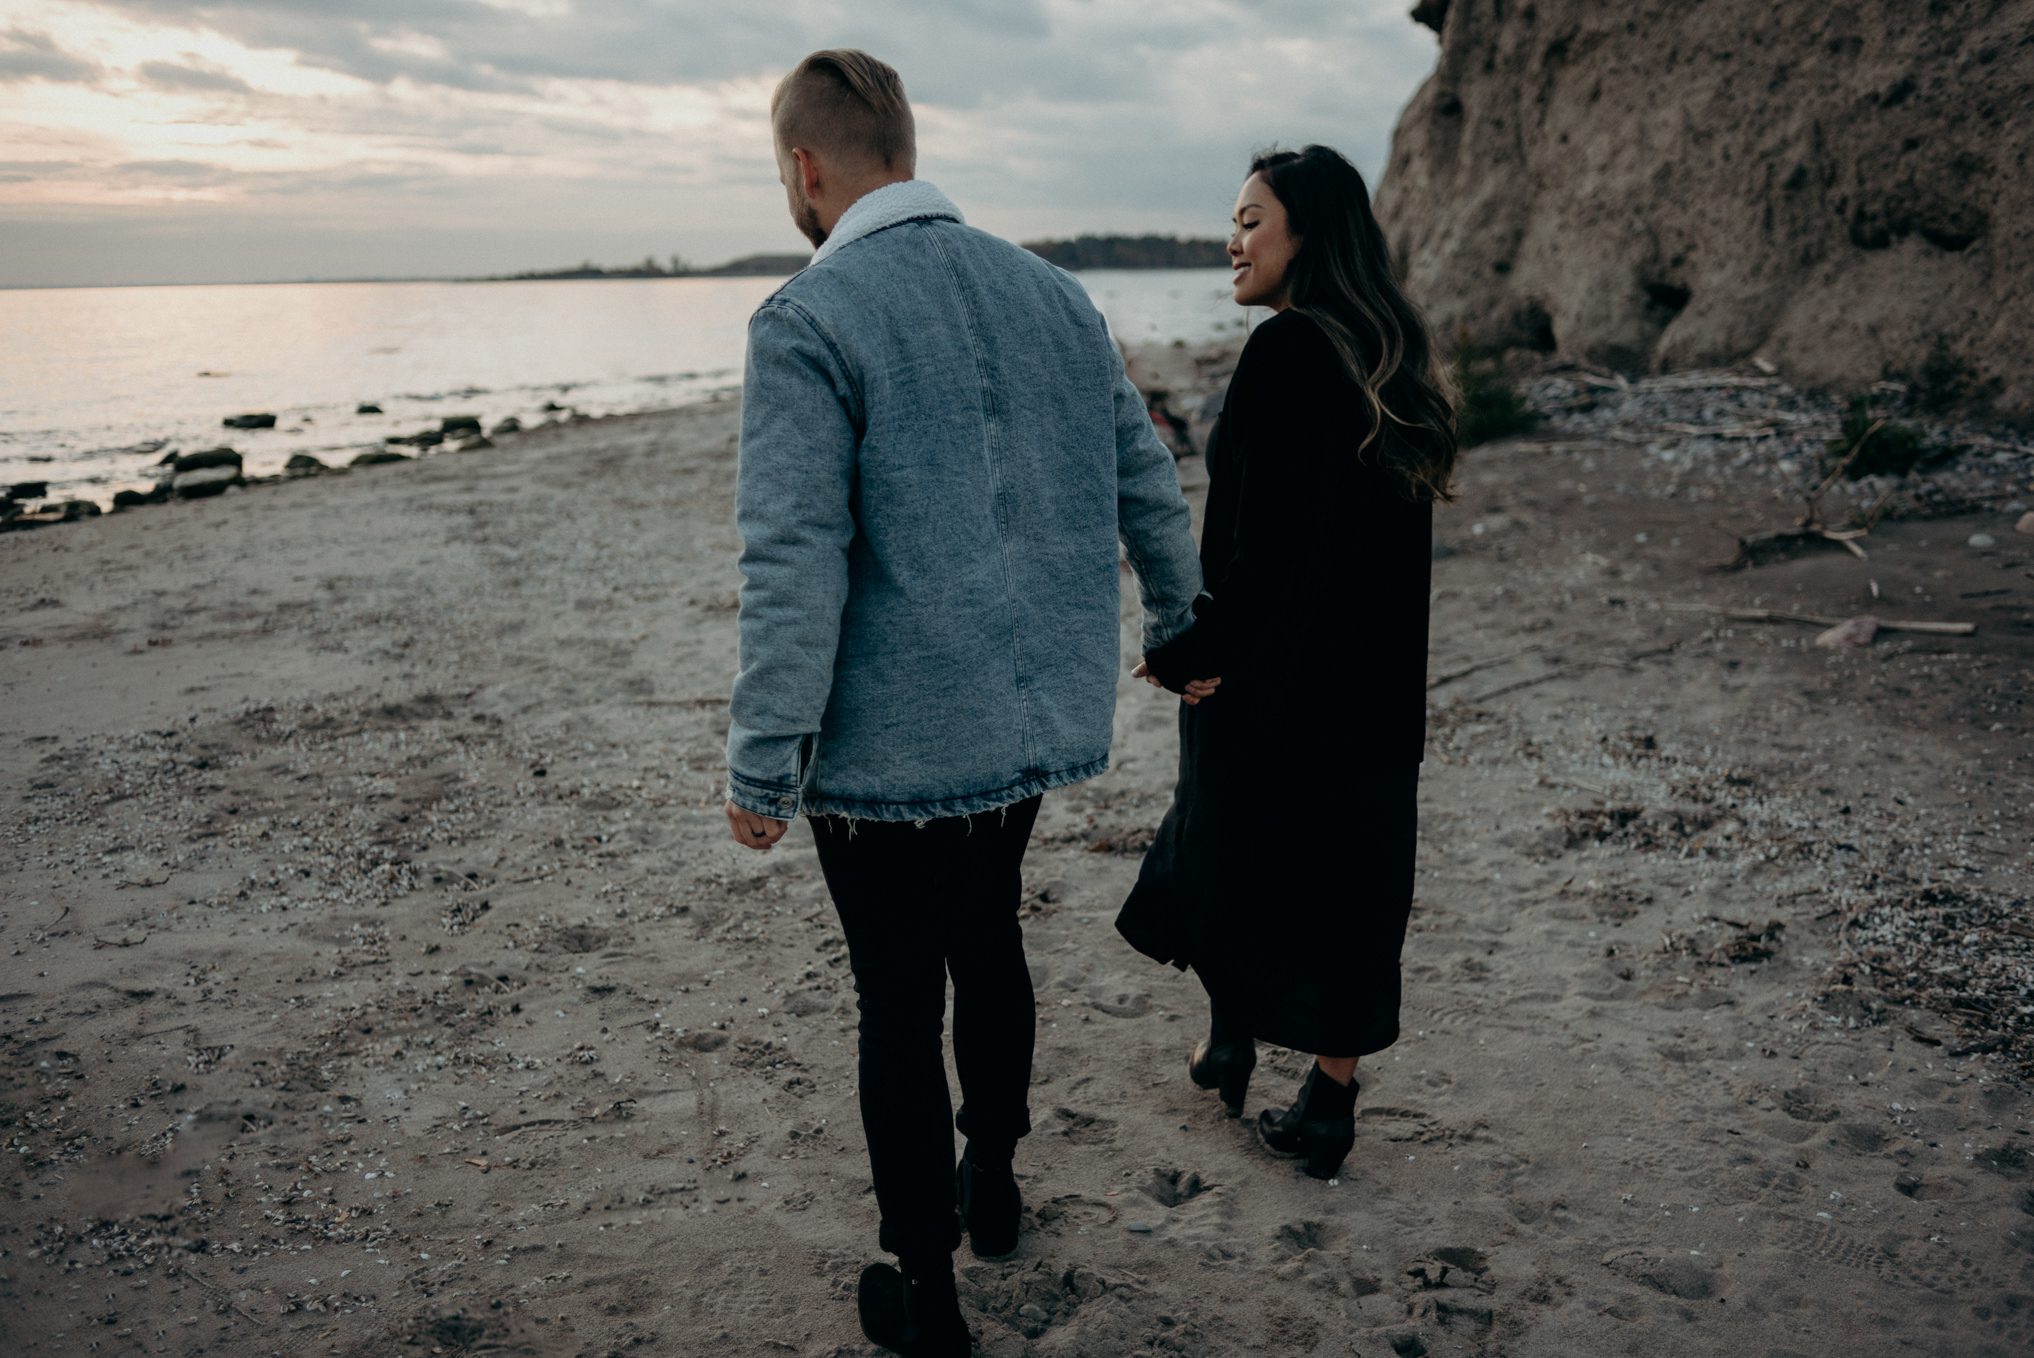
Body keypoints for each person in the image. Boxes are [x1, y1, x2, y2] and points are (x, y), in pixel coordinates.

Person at [722, 50, 1205, 1358]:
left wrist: (763, 757)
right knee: (987, 937)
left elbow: (791, 558)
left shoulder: (806, 320)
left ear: (804, 168)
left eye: (785, 172)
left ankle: (924, 1291)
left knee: (897, 993)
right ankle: (990, 1185)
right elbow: (1141, 476)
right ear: (906, 142)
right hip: (1020, 717)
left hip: (888, 737)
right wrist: (1179, 620)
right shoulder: (1052, 293)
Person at [1116, 144, 1457, 1182]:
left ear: (1308, 233)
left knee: (1222, 848)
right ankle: (1321, 1096)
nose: (1234, 239)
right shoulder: (1388, 357)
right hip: (1372, 691)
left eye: (1253, 220)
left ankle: (1233, 1034)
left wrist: (1188, 651)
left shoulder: (1285, 352)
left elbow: (1252, 545)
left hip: (1270, 680)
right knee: (1352, 887)